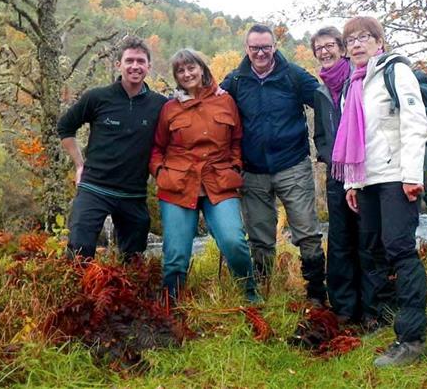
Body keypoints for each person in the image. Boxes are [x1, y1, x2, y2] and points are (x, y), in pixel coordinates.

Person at [337, 16, 427, 366]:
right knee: (373, 251)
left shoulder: (395, 71)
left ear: (379, 42)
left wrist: (411, 175)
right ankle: (384, 322)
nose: (357, 45)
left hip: (396, 177)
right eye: (351, 40)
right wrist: (352, 183)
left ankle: (411, 339)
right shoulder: (353, 83)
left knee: (401, 251)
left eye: (364, 37)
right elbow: (354, 139)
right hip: (368, 180)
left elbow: (415, 122)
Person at [220, 24, 327, 306]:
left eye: (266, 47)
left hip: (293, 166)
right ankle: (264, 294)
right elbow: (212, 108)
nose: (260, 52)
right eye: (255, 47)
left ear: (274, 47)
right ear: (247, 49)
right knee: (259, 237)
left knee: (307, 232)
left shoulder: (293, 76)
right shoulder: (235, 81)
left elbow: (326, 101)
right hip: (252, 171)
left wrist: (330, 147)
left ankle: (316, 294)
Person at [149, 49, 257, 302]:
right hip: (177, 186)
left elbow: (237, 140)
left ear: (202, 68)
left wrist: (235, 166)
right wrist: (161, 173)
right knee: (176, 254)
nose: (187, 74)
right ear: (176, 76)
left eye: (191, 68)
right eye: (180, 71)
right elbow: (157, 148)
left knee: (234, 242)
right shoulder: (169, 109)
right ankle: (170, 307)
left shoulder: (225, 100)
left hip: (219, 182)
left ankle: (250, 296)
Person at [311, 26, 395, 328]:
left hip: (367, 172)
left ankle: (373, 311)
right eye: (318, 48)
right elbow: (320, 131)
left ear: (341, 49)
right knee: (340, 242)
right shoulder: (319, 90)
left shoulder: (361, 77)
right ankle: (345, 309)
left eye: (330, 45)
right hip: (337, 174)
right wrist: (327, 153)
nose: (325, 51)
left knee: (369, 240)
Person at [57, 35, 167, 260]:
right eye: (129, 61)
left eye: (140, 61)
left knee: (133, 258)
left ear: (149, 66)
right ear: (119, 64)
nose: (135, 66)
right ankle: (78, 295)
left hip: (133, 193)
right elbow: (65, 127)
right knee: (79, 251)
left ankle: (123, 295)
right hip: (94, 188)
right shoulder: (97, 98)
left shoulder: (160, 105)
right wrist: (79, 164)